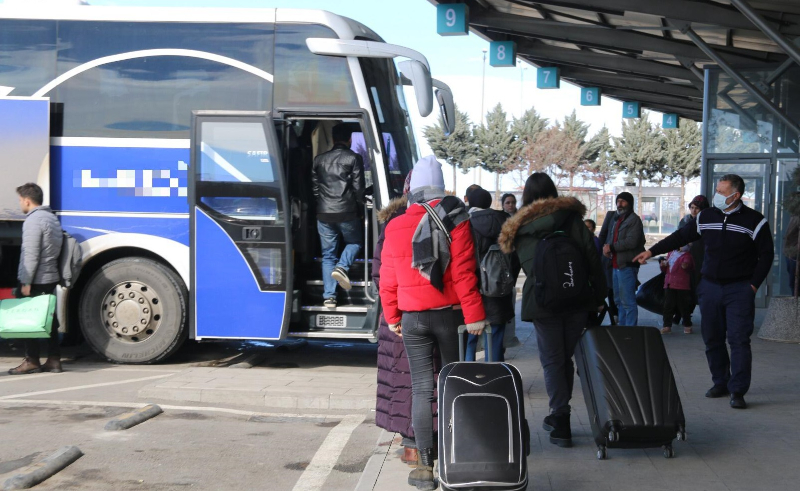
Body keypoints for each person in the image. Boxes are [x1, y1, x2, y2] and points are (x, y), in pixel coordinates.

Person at [379, 156, 486, 490]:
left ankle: (425, 467)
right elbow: (465, 272)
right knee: (451, 385)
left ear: (411, 189)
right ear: (441, 186)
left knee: (422, 389)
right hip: (449, 315)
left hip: (412, 319)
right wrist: (474, 316)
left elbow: (388, 278)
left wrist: (392, 315)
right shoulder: (456, 218)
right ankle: (455, 456)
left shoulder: (395, 224)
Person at [634, 174, 774, 410]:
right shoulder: (706, 217)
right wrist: (651, 251)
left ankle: (737, 390)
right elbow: (681, 236)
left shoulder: (754, 220)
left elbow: (766, 255)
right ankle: (720, 382)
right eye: (716, 190)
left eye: (722, 192)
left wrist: (753, 285)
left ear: (736, 195)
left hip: (739, 289)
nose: (717, 196)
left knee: (739, 340)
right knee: (712, 338)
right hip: (709, 287)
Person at [498, 173, 606, 448]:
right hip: (577, 299)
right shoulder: (571, 218)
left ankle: (561, 419)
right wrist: (600, 295)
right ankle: (570, 414)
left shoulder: (519, 226)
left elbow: (514, 268)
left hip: (543, 303)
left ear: (526, 197)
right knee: (566, 357)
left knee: (553, 360)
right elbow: (592, 258)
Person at [373, 171, 429, 467]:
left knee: (403, 380)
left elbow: (379, 274)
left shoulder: (392, 226)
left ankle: (411, 446)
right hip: (431, 312)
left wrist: (391, 313)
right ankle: (423, 446)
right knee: (425, 380)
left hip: (397, 315)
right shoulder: (441, 221)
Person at [9, 183, 63, 375]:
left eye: (20, 200)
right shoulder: (51, 218)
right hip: (50, 276)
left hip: (36, 278)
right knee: (49, 320)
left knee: (29, 319)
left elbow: (31, 254)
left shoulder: (33, 220)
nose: (20, 204)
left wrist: (26, 281)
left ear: (27, 200)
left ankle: (32, 360)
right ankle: (54, 360)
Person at [312, 124, 365, 308]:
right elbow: (358, 189)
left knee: (328, 255)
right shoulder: (353, 158)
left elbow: (316, 189)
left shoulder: (319, 160)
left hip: (324, 212)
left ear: (333, 139)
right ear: (349, 139)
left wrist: (323, 203)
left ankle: (329, 297)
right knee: (355, 242)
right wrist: (359, 209)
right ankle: (342, 267)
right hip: (347, 211)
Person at [464, 186, 518, 362]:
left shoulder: (464, 222)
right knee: (496, 333)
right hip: (499, 287)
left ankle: (467, 374)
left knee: (470, 334)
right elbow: (514, 256)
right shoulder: (505, 221)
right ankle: (494, 377)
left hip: (474, 287)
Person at [598, 192, 645, 326]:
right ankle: (623, 328)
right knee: (618, 300)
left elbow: (631, 242)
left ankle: (630, 330)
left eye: (623, 201)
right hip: (615, 265)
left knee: (628, 302)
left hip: (627, 265)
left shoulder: (634, 220)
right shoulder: (616, 219)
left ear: (630, 203)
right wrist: (606, 249)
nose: (620, 204)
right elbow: (610, 238)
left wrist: (611, 247)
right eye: (618, 201)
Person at [674, 195, 709, 326]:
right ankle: (680, 314)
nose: (694, 211)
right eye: (692, 208)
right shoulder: (686, 220)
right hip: (684, 258)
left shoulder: (707, 221)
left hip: (700, 259)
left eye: (697, 208)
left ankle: (686, 315)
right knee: (683, 287)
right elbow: (678, 237)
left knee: (696, 287)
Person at [659, 246, 695, 334]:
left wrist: (685, 265)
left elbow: (689, 265)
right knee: (668, 305)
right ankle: (667, 325)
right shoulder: (671, 253)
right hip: (669, 283)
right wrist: (663, 265)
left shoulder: (687, 255)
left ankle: (687, 325)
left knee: (683, 306)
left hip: (681, 285)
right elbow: (665, 269)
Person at [784, 214, 799, 294]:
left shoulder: (795, 217)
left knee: (793, 283)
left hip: (793, 255)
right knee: (793, 283)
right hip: (792, 254)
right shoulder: (794, 217)